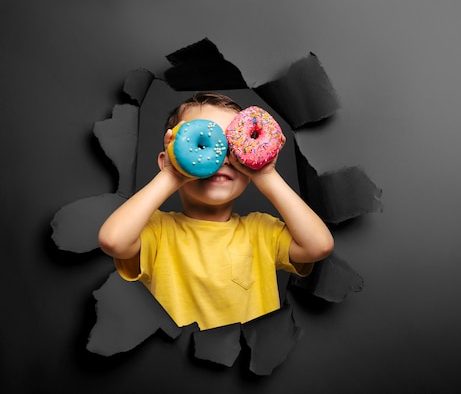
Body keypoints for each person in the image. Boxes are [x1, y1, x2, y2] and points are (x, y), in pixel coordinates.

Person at [98, 92, 334, 330]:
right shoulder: (158, 232)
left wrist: (266, 174)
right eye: (203, 144)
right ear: (166, 160)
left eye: (231, 146)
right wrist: (170, 174)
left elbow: (318, 246)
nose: (223, 158)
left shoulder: (261, 231)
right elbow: (113, 240)